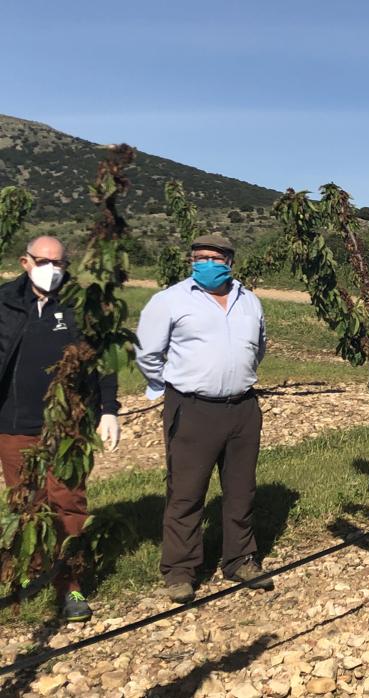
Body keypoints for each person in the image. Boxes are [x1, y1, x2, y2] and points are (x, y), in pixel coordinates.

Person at [136, 233, 270, 604]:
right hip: (193, 408)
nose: (207, 263)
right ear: (191, 260)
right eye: (200, 257)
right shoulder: (170, 301)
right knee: (186, 491)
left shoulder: (250, 302)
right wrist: (164, 386)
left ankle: (240, 559)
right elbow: (148, 352)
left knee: (241, 489)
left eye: (215, 257)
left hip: (243, 407)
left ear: (230, 261)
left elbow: (258, 348)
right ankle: (180, 570)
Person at [0, 236, 120, 622]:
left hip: (68, 426)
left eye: (60, 263)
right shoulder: (4, 302)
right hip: (15, 424)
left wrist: (109, 410)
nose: (51, 269)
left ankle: (70, 584)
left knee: (68, 501)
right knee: (28, 504)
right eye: (43, 261)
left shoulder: (79, 305)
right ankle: (37, 571)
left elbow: (103, 360)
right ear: (25, 262)